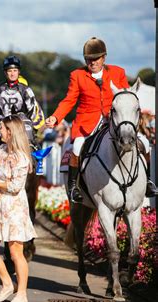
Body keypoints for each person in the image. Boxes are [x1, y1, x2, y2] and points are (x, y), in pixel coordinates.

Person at [45, 37, 158, 200]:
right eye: (88, 59)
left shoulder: (118, 72)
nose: (92, 62)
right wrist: (55, 117)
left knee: (145, 144)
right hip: (87, 122)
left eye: (96, 58)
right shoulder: (77, 75)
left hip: (114, 119)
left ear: (104, 57)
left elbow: (126, 97)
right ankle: (73, 187)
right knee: (77, 147)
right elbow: (69, 100)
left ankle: (147, 181)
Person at [0, 114, 37, 302]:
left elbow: (14, 186)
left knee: (15, 253)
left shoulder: (21, 158)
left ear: (11, 132)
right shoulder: (0, 151)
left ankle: (22, 293)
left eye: (2, 128)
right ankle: (6, 284)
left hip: (14, 207)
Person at [0, 55, 44, 149]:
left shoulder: (26, 90)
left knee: (33, 145)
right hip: (2, 125)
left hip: (21, 125)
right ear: (5, 72)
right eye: (9, 71)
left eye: (15, 70)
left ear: (19, 72)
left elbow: (32, 113)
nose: (12, 73)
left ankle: (34, 161)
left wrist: (20, 123)